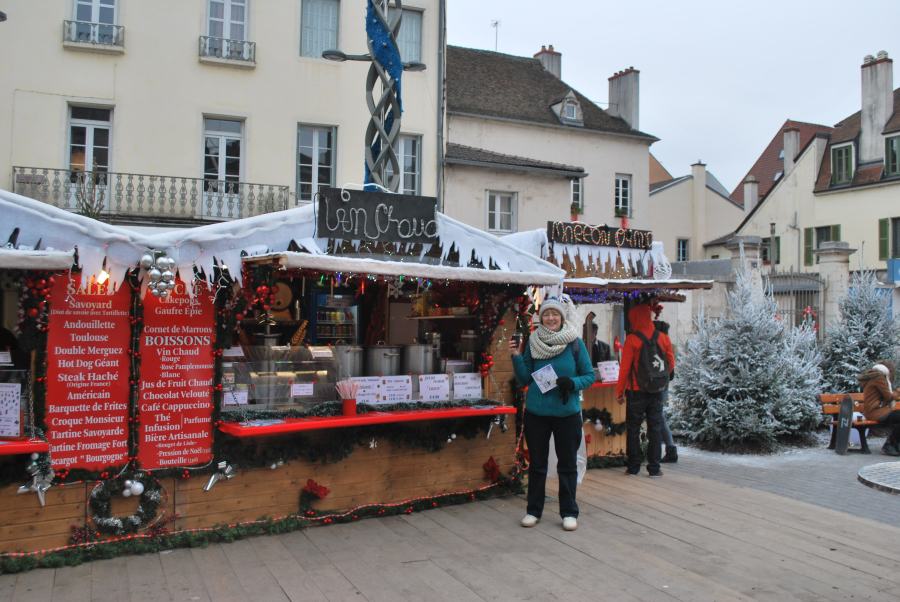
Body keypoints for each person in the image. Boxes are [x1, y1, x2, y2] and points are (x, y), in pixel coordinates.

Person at [511, 297, 595, 531]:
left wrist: (573, 382)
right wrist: (517, 357)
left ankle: (569, 512)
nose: (550, 318)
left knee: (567, 464)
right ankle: (533, 510)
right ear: (541, 317)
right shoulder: (533, 343)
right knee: (537, 464)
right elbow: (524, 378)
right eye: (546, 314)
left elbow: (589, 375)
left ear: (561, 317)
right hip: (537, 413)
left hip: (566, 414)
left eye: (554, 314)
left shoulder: (574, 343)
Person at [616, 303, 675, 477]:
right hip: (656, 391)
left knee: (633, 429)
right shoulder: (663, 337)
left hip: (636, 391)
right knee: (655, 428)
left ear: (634, 318)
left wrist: (620, 392)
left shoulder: (632, 340)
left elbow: (624, 369)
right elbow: (670, 363)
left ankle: (633, 466)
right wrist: (660, 379)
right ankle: (654, 468)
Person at [858, 361, 900, 456]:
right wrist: (898, 391)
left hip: (874, 411)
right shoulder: (879, 378)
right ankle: (889, 445)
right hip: (876, 412)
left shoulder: (874, 376)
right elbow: (888, 396)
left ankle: (894, 445)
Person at [654, 320, 678, 464]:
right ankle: (670, 448)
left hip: (659, 385)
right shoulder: (668, 344)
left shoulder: (660, 345)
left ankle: (670, 448)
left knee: (659, 417)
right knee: (659, 416)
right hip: (664, 383)